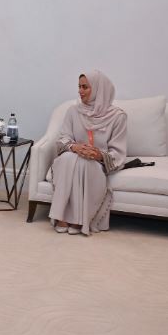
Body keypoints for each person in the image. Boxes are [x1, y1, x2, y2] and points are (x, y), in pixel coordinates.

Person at [49, 71, 127, 235]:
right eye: (79, 87)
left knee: (85, 163)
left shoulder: (117, 117)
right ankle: (61, 216)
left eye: (85, 87)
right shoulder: (73, 111)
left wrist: (98, 154)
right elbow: (63, 138)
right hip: (72, 155)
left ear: (99, 89)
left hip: (96, 163)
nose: (80, 91)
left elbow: (118, 152)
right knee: (67, 158)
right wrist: (75, 147)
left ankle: (79, 219)